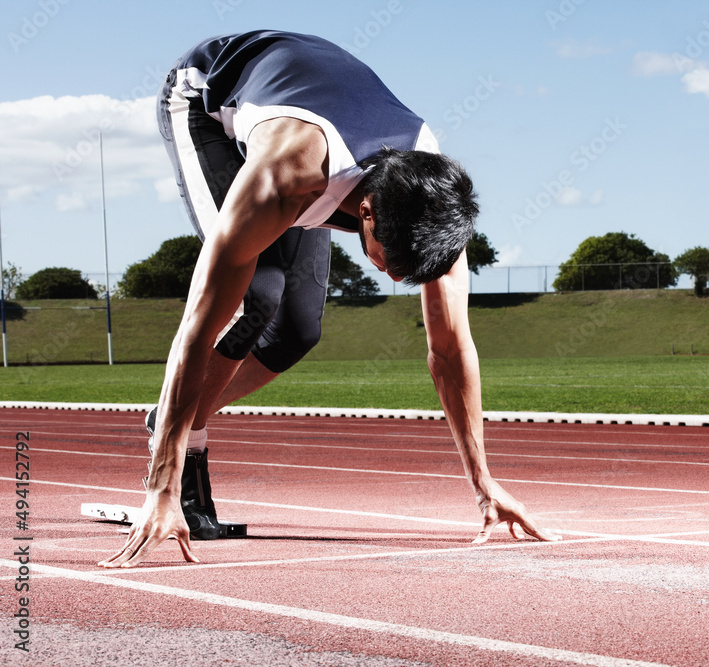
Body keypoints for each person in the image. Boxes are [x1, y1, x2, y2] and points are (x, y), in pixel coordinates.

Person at [99, 30, 559, 568]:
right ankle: (182, 445)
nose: (390, 279)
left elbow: (451, 353)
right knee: (255, 294)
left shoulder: (436, 205)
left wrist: (485, 486)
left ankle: (170, 419)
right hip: (205, 99)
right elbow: (197, 325)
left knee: (296, 330)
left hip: (325, 125)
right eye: (389, 261)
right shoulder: (286, 176)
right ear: (365, 214)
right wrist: (162, 484)